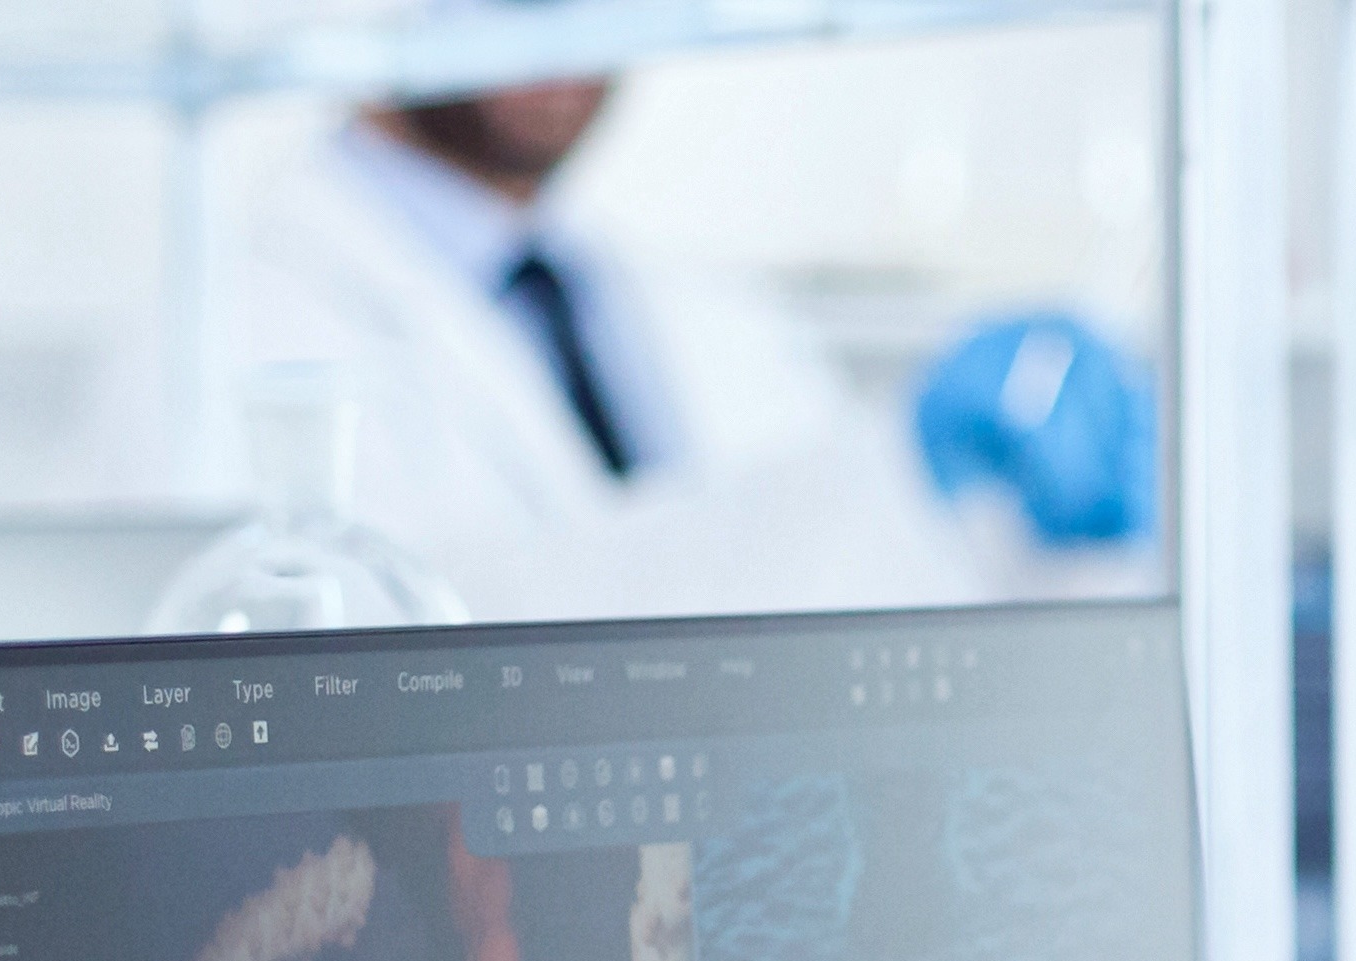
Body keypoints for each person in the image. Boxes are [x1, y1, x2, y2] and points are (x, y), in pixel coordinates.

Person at [217, 50, 1151, 622]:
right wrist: (898, 471)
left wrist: (1021, 541)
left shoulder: (688, 305)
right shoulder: (231, 331)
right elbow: (446, 663)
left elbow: (843, 630)